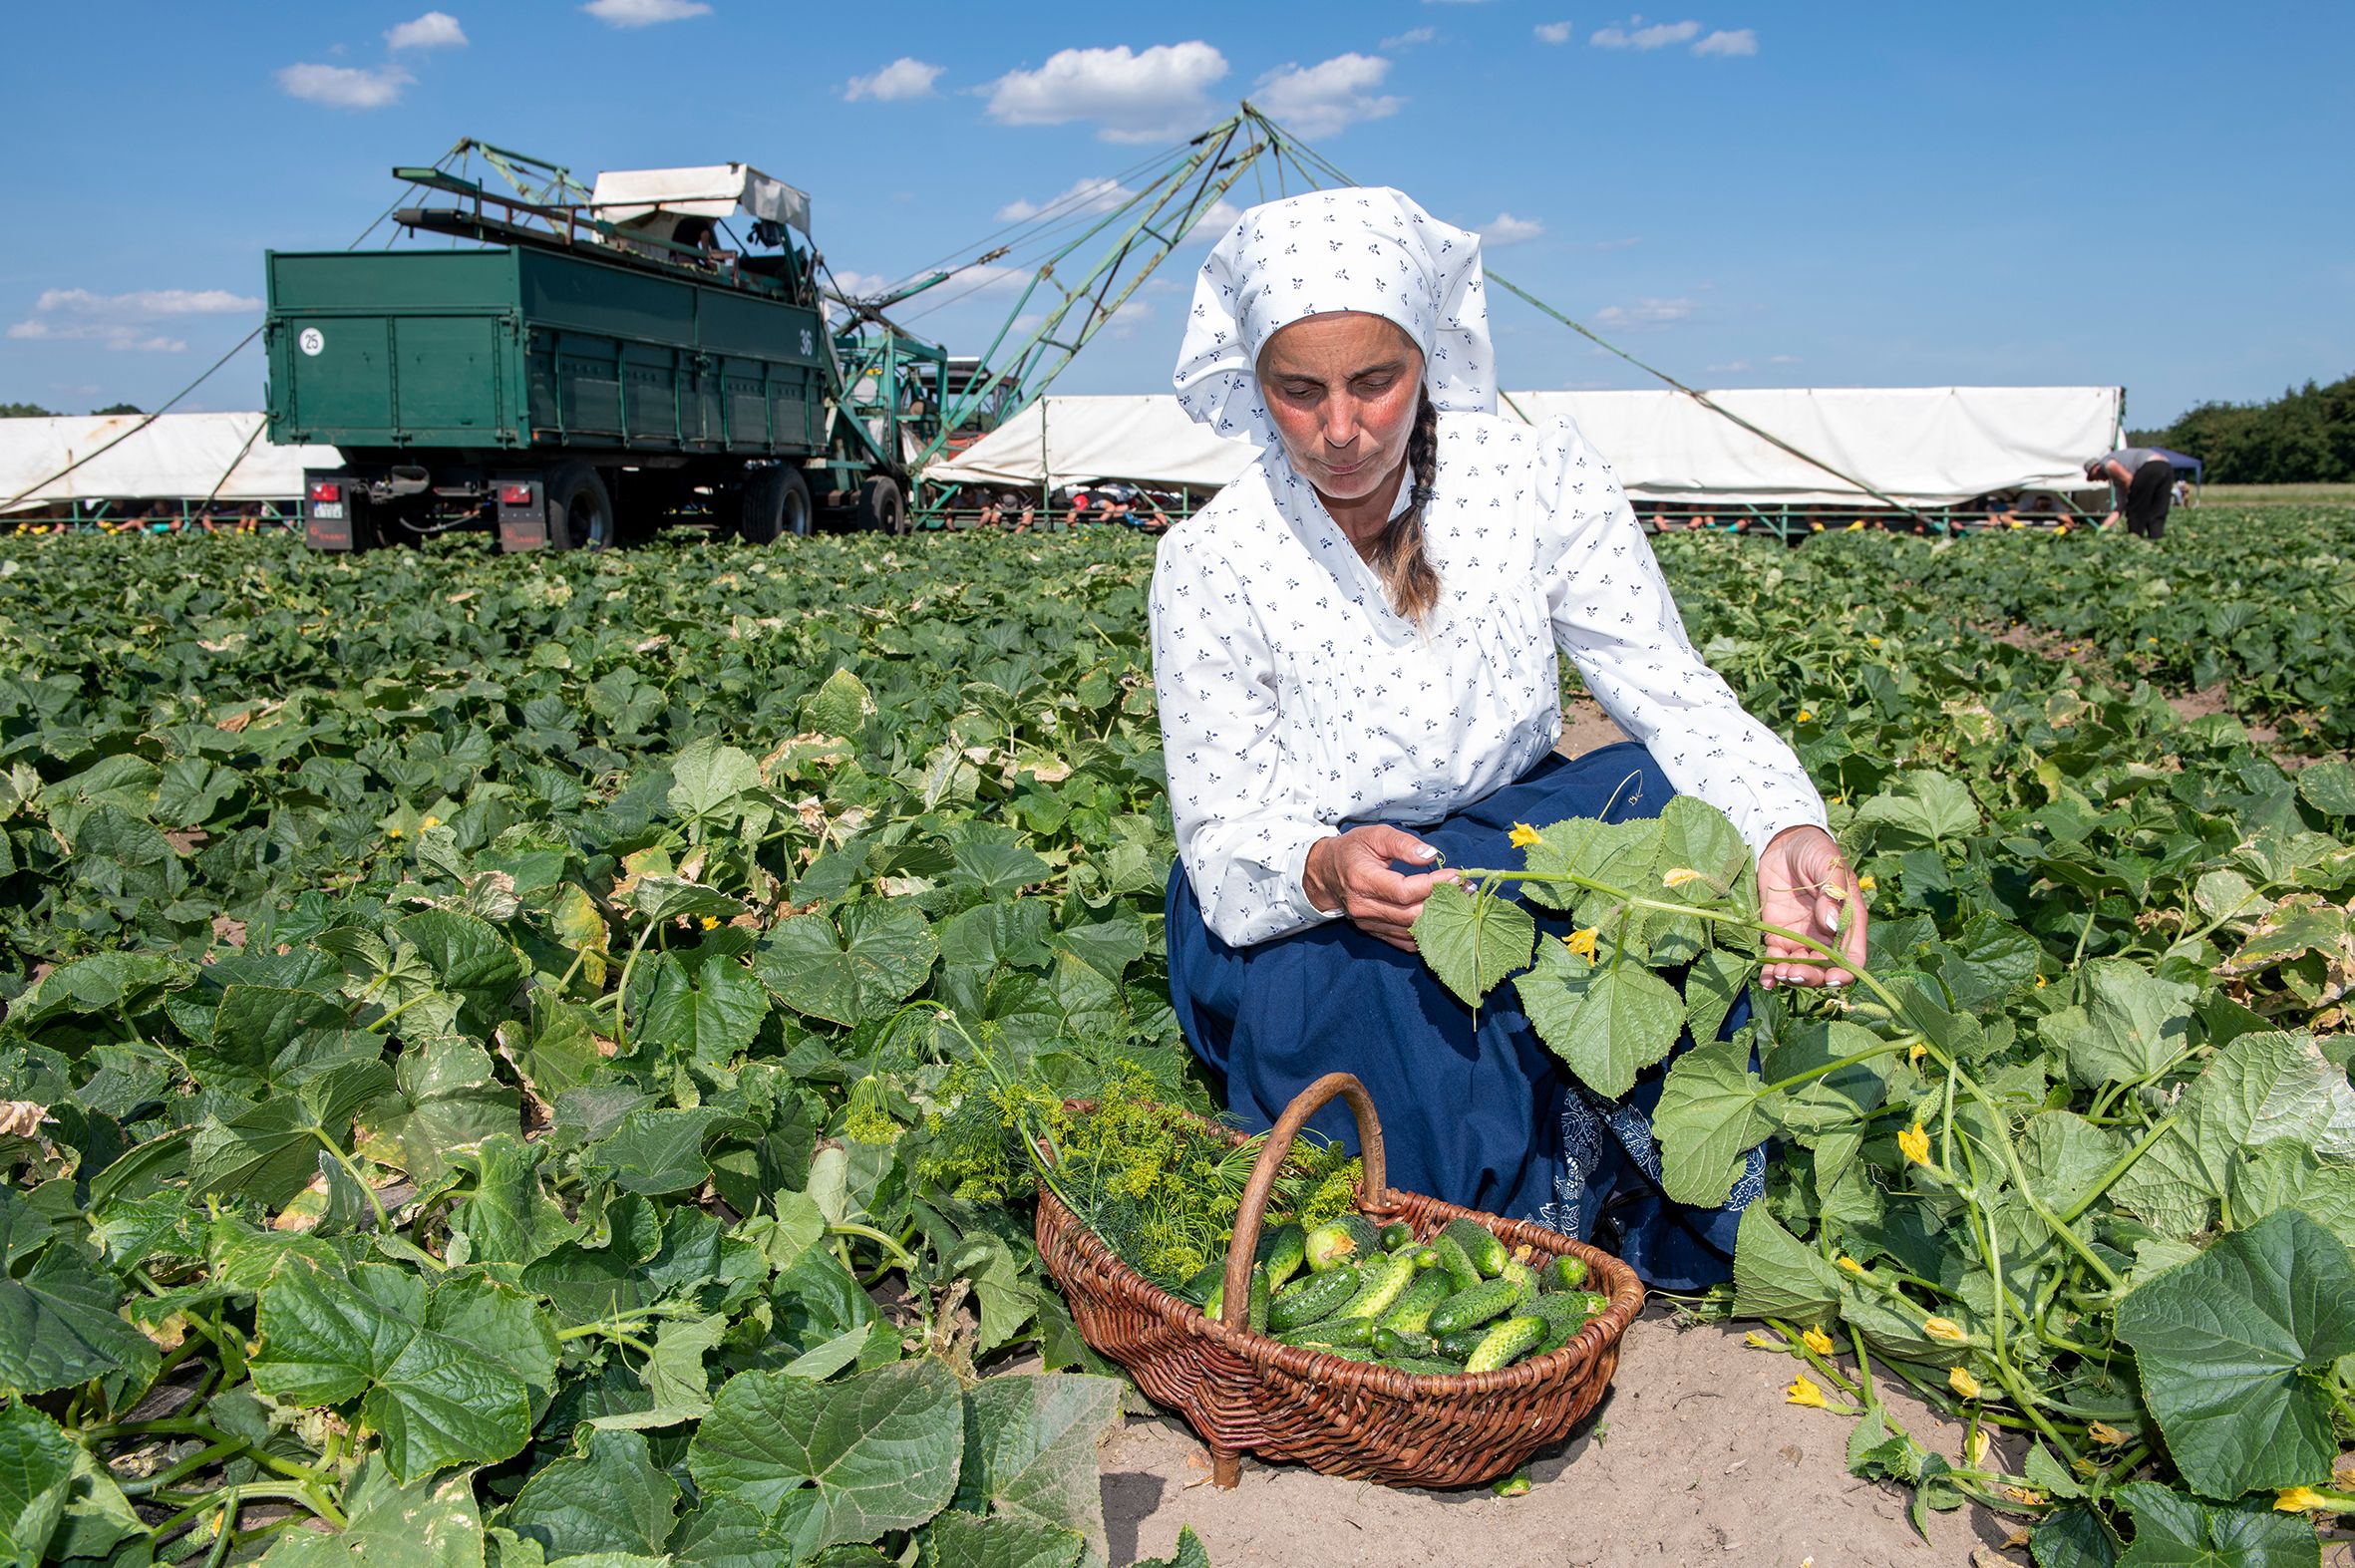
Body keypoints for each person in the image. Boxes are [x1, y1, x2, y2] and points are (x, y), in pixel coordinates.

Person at [1152, 188, 1862, 1289]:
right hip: (1319, 887)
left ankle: (1618, 1170)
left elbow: (1666, 690)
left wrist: (1780, 828)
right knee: (1363, 1003)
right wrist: (1326, 868)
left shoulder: (1534, 478)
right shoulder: (1210, 557)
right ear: (1253, 385)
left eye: (1374, 382)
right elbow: (1223, 823)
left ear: (1428, 359)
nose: (1341, 430)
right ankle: (1521, 1211)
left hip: (1511, 838)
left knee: (1655, 809)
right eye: (1298, 393)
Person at [2085, 448, 2176, 539]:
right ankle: (2156, 540)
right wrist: (2103, 527)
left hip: (2150, 466)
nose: (2097, 480)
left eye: (2094, 477)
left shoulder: (2105, 463)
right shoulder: (2117, 480)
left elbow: (2128, 479)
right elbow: (2119, 508)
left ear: (2096, 469)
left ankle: (2134, 541)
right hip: (2166, 467)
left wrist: (2133, 499)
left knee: (2135, 512)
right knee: (2157, 511)